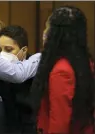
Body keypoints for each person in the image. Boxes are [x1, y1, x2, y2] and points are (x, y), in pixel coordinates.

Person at [24, 6, 94, 134]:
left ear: (56, 34)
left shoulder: (61, 71)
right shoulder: (87, 63)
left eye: (47, 28)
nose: (44, 33)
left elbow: (60, 121)